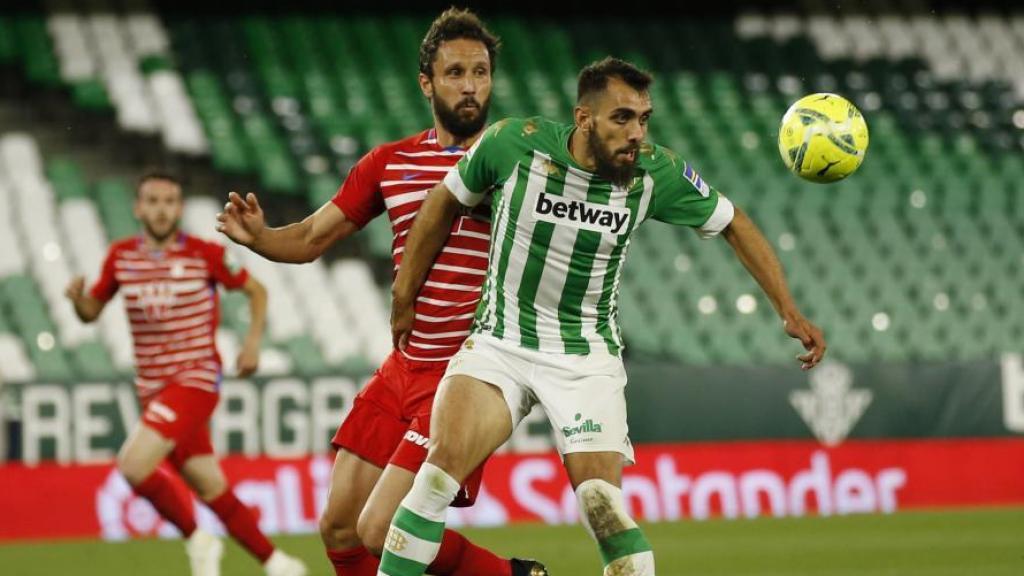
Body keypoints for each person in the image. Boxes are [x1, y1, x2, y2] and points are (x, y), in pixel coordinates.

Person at [383, 57, 828, 576]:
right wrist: (405, 293)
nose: (637, 132)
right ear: (584, 118)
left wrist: (789, 310)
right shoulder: (511, 144)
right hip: (500, 343)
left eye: (644, 118)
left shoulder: (655, 172)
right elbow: (443, 202)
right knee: (436, 476)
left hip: (586, 357)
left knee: (602, 506)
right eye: (622, 118)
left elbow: (733, 222)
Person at [215, 8, 547, 576]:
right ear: (427, 82)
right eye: (455, 73)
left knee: (382, 528)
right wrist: (261, 239)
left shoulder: (518, 166)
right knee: (341, 529)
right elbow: (315, 235)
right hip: (403, 367)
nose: (470, 86)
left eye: (481, 72)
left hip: (465, 376)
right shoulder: (390, 165)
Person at [66, 171, 307, 576]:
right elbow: (92, 312)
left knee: (133, 465)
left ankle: (197, 538)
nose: (161, 209)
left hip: (194, 381)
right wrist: (78, 302)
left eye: (169, 201)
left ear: (179, 207)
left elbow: (257, 290)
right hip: (151, 388)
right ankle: (278, 563)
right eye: (153, 201)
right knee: (211, 487)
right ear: (138, 208)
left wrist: (251, 343)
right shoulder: (121, 256)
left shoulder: (203, 253)